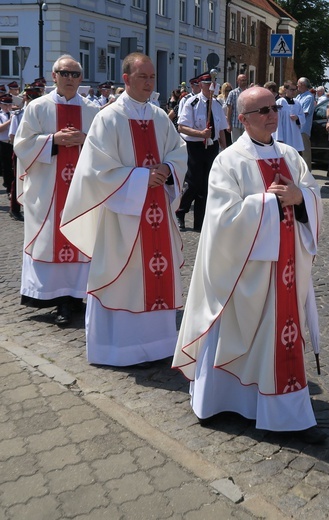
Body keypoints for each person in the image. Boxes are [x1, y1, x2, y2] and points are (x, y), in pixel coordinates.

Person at [172, 86, 324, 443]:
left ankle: (287, 415)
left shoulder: (291, 155)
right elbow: (223, 220)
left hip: (287, 266)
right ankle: (223, 402)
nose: (272, 115)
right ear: (242, 119)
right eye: (262, 110)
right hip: (246, 273)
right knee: (241, 335)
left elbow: (311, 196)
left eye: (274, 108)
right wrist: (271, 204)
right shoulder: (229, 161)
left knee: (281, 339)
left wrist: (300, 197)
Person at [60, 52, 188, 367]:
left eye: (152, 77)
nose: (149, 83)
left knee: (157, 274)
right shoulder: (108, 117)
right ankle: (120, 349)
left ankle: (159, 344)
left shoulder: (160, 117)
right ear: (127, 79)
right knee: (124, 278)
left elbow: (179, 150)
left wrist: (168, 168)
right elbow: (97, 171)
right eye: (142, 77)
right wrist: (144, 176)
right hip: (123, 217)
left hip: (157, 209)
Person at [13, 55, 99, 327]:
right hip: (49, 189)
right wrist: (53, 140)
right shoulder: (38, 107)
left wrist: (85, 139)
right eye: (64, 73)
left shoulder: (92, 111)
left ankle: (77, 297)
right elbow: (22, 144)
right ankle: (57, 298)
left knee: (81, 238)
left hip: (81, 191)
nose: (70, 78)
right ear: (54, 76)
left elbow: (105, 147)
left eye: (75, 74)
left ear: (81, 78)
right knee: (51, 238)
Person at [176, 72, 227, 232]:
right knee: (193, 183)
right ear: (201, 85)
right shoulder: (192, 102)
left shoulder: (217, 105)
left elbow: (222, 130)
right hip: (195, 147)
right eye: (207, 85)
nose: (210, 88)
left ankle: (200, 220)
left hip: (211, 147)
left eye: (212, 85)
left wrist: (224, 150)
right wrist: (200, 134)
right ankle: (180, 212)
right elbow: (181, 127)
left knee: (206, 185)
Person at [7, 82, 46, 222]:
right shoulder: (18, 114)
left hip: (38, 150)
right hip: (21, 151)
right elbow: (12, 136)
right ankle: (15, 209)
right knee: (17, 179)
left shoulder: (43, 114)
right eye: (31, 98)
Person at [274, 80, 304, 152]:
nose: (293, 92)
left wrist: (297, 118)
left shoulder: (297, 103)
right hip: (284, 134)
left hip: (295, 134)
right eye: (291, 90)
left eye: (295, 89)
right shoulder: (280, 102)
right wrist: (279, 138)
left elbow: (302, 117)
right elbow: (277, 120)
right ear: (285, 89)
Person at [295, 77, 316, 169]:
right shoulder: (299, 96)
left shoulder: (309, 97)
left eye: (298, 84)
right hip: (296, 128)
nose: (297, 86)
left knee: (305, 151)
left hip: (303, 129)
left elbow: (305, 112)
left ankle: (307, 171)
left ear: (303, 85)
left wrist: (293, 115)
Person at [225, 73, 248, 143]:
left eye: (245, 80)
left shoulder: (249, 93)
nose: (244, 82)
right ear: (237, 81)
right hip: (235, 124)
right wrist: (228, 124)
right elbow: (229, 109)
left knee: (246, 144)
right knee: (236, 144)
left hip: (247, 124)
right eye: (242, 80)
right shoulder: (233, 93)